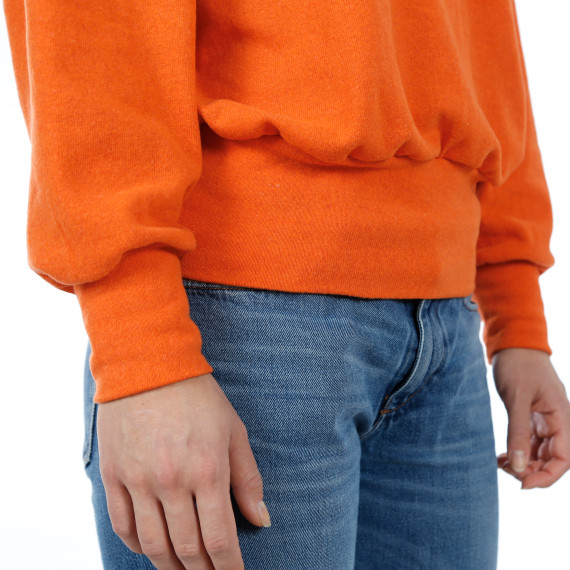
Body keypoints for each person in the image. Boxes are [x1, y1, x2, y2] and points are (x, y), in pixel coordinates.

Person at [3, 0, 570, 568]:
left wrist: (517, 312)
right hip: (240, 322)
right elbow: (97, 27)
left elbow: (486, 32)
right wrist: (142, 349)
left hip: (448, 334)